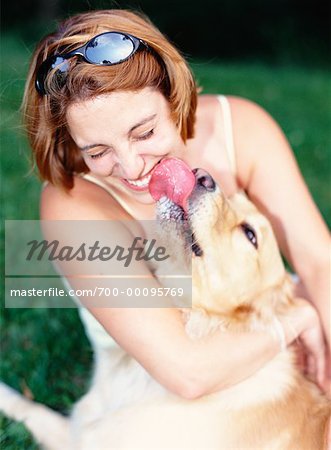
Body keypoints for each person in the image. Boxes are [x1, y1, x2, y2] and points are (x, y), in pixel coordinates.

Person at [22, 9, 330, 399]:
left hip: (257, 321)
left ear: (173, 93)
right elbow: (187, 373)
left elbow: (320, 261)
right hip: (158, 387)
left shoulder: (240, 128)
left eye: (145, 132)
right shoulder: (70, 204)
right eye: (97, 151)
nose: (132, 168)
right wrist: (295, 321)